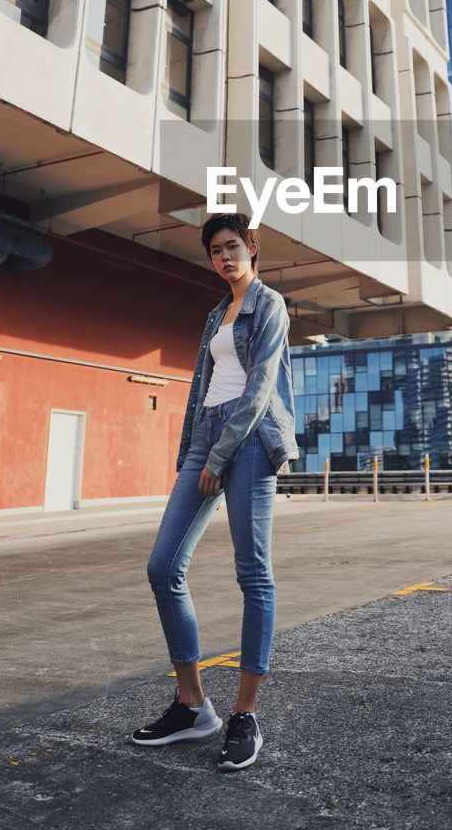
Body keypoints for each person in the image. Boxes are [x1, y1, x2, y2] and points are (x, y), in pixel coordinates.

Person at [130, 213, 298, 771]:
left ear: (252, 248)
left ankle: (244, 715)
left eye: (233, 247)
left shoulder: (269, 305)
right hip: (207, 434)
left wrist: (221, 454)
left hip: (250, 439)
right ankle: (192, 704)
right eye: (215, 251)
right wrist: (193, 457)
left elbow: (258, 389)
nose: (225, 257)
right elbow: (201, 388)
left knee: (253, 572)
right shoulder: (214, 315)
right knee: (163, 567)